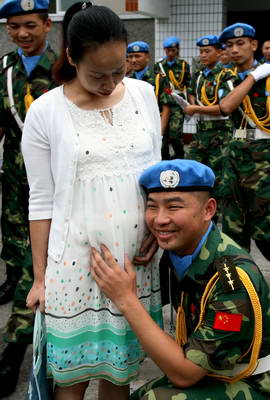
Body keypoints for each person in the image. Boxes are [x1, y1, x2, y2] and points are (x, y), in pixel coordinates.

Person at [22, 3, 163, 400]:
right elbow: (41, 199)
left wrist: (157, 223)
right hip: (74, 265)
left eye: (119, 70)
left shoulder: (144, 95)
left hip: (135, 263)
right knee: (71, 380)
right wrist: (39, 278)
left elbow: (156, 175)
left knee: (119, 376)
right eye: (97, 74)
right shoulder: (46, 112)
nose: (110, 82)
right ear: (70, 57)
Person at [90, 159, 270, 400]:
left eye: (174, 207)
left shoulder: (232, 281)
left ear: (208, 210)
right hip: (214, 371)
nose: (159, 219)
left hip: (255, 384)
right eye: (152, 207)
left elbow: (185, 374)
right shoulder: (179, 250)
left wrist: (126, 299)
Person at [0, 0, 56, 396]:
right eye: (14, 26)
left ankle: (13, 351)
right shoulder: (5, 69)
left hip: (54, 186)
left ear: (47, 25)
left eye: (30, 25)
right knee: (17, 254)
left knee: (35, 267)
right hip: (17, 180)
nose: (22, 33)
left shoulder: (64, 68)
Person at [218, 23, 270, 294]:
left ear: (254, 45)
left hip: (263, 161)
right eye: (230, 45)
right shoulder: (227, 79)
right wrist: (252, 77)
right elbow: (226, 107)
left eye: (241, 44)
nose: (235, 49)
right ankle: (231, 285)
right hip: (235, 158)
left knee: (264, 232)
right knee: (229, 231)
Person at [184, 35, 233, 214]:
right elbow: (191, 92)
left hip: (220, 135)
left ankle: (214, 219)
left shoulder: (226, 75)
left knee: (217, 181)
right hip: (201, 132)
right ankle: (197, 212)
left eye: (207, 51)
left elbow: (225, 107)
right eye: (201, 52)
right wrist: (191, 104)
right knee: (194, 173)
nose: (203, 55)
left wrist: (196, 107)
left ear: (219, 52)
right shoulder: (198, 75)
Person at [155, 36, 191, 159]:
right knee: (163, 134)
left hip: (177, 104)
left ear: (177, 50)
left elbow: (188, 85)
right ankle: (163, 159)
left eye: (173, 50)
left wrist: (190, 105)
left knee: (175, 134)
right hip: (162, 103)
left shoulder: (183, 65)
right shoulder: (159, 65)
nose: (170, 53)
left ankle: (180, 157)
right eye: (167, 50)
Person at [127, 41, 171, 135]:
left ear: (147, 57)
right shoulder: (128, 80)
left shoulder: (159, 78)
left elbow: (166, 108)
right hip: (136, 129)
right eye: (130, 56)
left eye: (137, 56)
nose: (133, 60)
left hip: (154, 125)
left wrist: (160, 134)